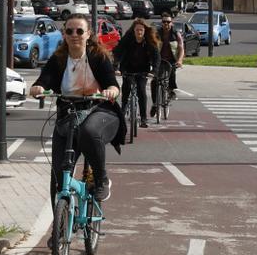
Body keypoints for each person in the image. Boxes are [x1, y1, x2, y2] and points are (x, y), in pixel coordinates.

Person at [27, 13, 125, 203]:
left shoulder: (97, 56)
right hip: (68, 113)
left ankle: (101, 180)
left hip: (99, 109)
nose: (74, 35)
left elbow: (112, 83)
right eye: (69, 31)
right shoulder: (59, 58)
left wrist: (112, 90)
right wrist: (38, 88)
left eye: (79, 31)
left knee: (88, 131)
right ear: (64, 34)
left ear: (88, 34)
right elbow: (44, 80)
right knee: (57, 177)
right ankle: (60, 228)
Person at [113, 18, 159, 127]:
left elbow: (156, 57)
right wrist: (116, 67)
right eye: (137, 30)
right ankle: (123, 110)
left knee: (141, 91)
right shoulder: (128, 39)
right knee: (126, 87)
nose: (139, 32)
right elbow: (118, 52)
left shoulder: (149, 41)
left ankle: (143, 119)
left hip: (143, 70)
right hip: (128, 68)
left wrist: (154, 71)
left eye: (141, 30)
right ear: (133, 31)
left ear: (144, 31)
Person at [152, 13, 184, 117]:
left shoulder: (176, 34)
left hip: (171, 60)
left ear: (172, 23)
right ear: (162, 23)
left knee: (172, 74)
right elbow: (151, 47)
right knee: (155, 81)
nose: (166, 24)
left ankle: (170, 91)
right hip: (159, 60)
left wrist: (179, 60)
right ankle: (154, 104)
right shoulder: (157, 33)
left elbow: (181, 47)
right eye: (164, 22)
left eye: (168, 22)